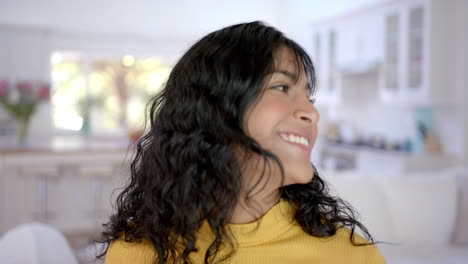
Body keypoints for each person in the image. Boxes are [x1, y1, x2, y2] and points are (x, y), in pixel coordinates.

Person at [99, 21, 385, 264]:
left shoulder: (351, 256)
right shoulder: (135, 254)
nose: (312, 113)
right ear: (214, 111)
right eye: (282, 87)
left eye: (309, 98)